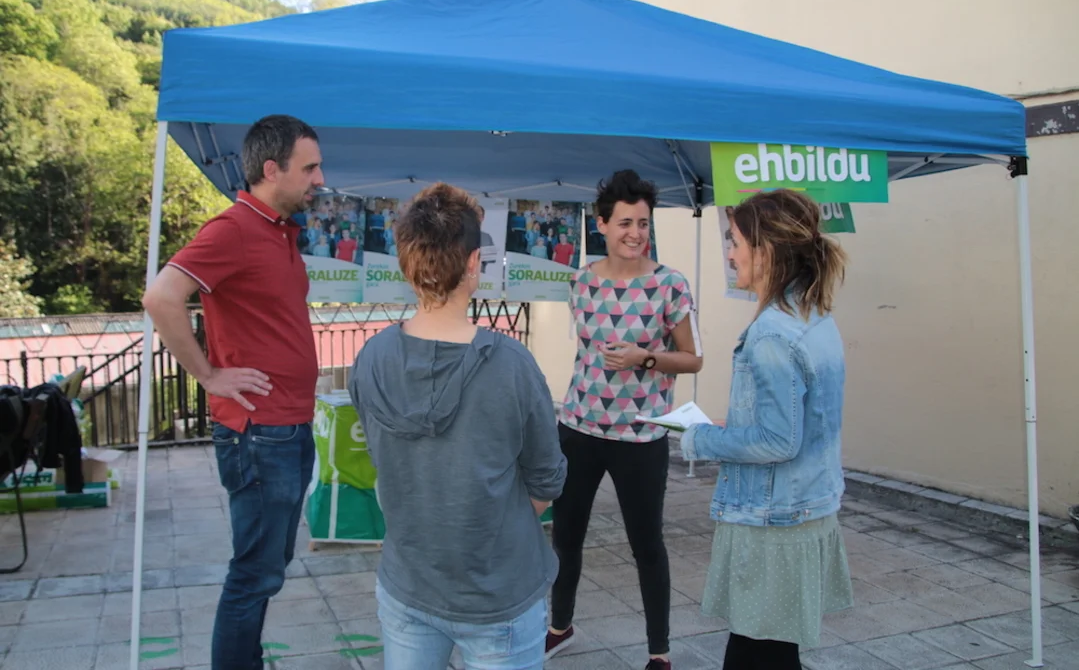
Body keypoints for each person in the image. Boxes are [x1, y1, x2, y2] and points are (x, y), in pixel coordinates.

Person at [349, 182, 567, 670]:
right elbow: (547, 479)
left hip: (409, 583)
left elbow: (387, 461)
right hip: (497, 593)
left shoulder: (371, 358)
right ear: (473, 263)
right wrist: (492, 522)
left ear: (406, 265)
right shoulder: (512, 364)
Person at [141, 114, 324, 670]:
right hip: (260, 432)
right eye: (309, 168)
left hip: (286, 426)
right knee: (254, 573)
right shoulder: (234, 229)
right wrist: (209, 375)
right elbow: (161, 298)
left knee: (269, 565)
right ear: (271, 169)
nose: (319, 179)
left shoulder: (279, 230)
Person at [680, 189, 853, 670]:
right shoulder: (812, 315)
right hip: (803, 508)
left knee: (757, 652)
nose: (729, 255)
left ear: (766, 251)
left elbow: (779, 441)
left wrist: (700, 438)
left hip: (773, 519)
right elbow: (798, 418)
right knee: (771, 649)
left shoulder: (773, 333)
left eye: (735, 242)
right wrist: (736, 425)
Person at [547, 170, 704, 670]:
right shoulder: (581, 282)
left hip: (642, 435)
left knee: (647, 545)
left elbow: (694, 359)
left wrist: (645, 358)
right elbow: (586, 355)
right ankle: (559, 627)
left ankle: (659, 652)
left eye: (643, 223)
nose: (635, 233)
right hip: (578, 429)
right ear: (601, 225)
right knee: (565, 537)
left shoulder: (669, 284)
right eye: (625, 223)